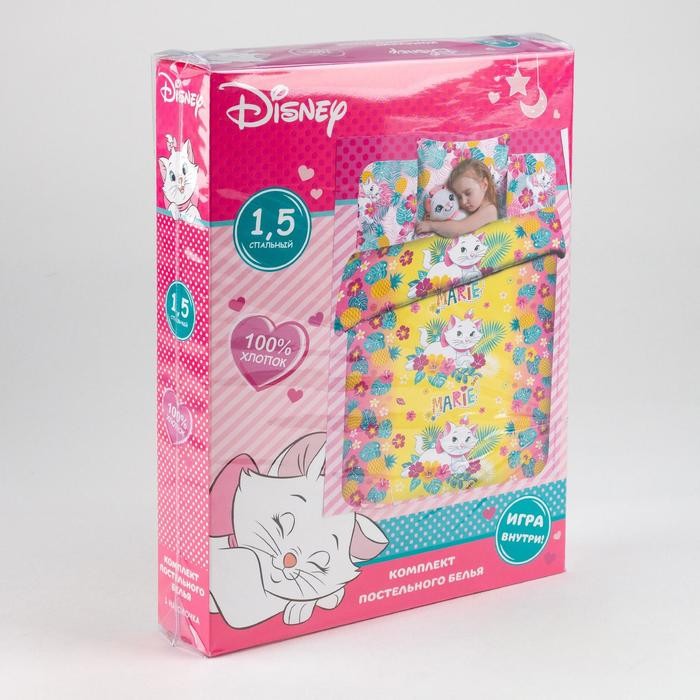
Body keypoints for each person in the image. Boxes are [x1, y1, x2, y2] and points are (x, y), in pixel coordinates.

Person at [416, 159, 498, 238]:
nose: (463, 201)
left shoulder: (490, 210)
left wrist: (431, 226)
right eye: (459, 197)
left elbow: (458, 228)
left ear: (484, 185)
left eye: (468, 193)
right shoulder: (475, 208)